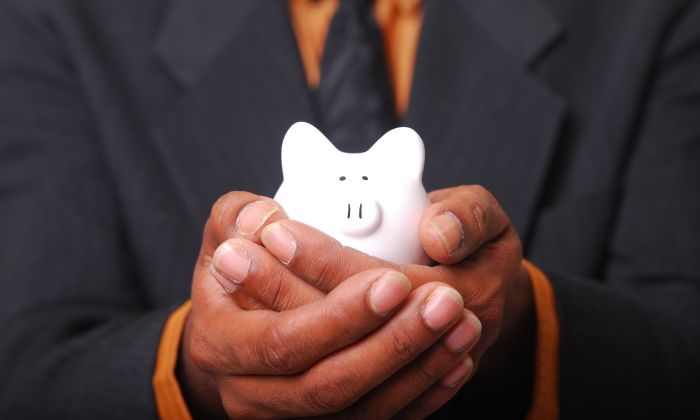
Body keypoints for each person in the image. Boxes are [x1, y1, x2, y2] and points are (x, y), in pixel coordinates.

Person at [1, 0, 699, 418]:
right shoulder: (60, 19)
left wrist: (523, 323)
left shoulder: (650, 18)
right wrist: (196, 372)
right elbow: (28, 374)